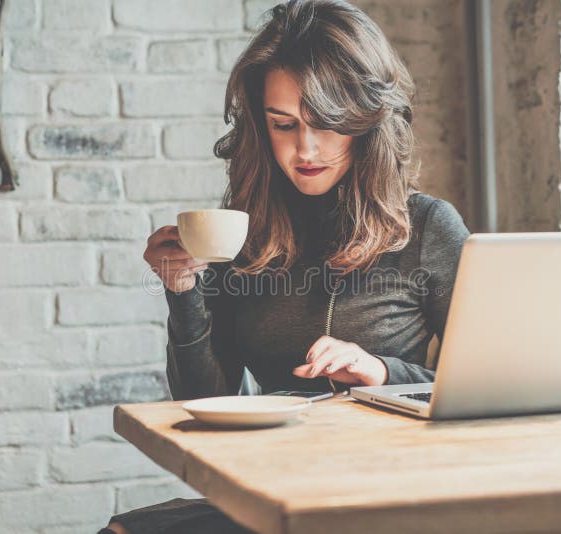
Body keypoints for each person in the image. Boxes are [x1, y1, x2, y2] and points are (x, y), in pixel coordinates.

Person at [99, 0, 469, 532]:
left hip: (390, 492)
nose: (305, 148)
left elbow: (486, 392)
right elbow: (206, 402)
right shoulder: (242, 235)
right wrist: (183, 291)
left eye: (327, 123)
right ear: (259, 124)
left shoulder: (428, 227)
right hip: (276, 487)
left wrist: (382, 373)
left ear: (365, 121)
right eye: (283, 124)